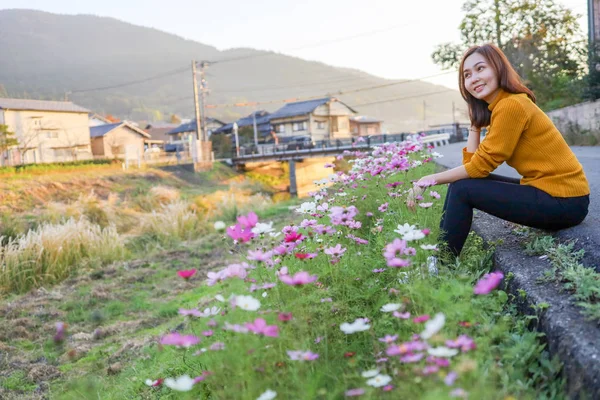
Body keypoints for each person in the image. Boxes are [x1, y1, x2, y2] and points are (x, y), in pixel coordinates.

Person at [408, 43, 590, 259]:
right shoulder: (502, 107)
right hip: (553, 194)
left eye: (480, 68)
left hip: (564, 200)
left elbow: (478, 167)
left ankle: (443, 264)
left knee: (462, 189)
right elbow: (475, 166)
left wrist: (427, 180)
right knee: (461, 185)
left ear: (498, 68)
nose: (473, 78)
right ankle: (442, 259)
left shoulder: (511, 106)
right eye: (467, 75)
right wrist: (475, 124)